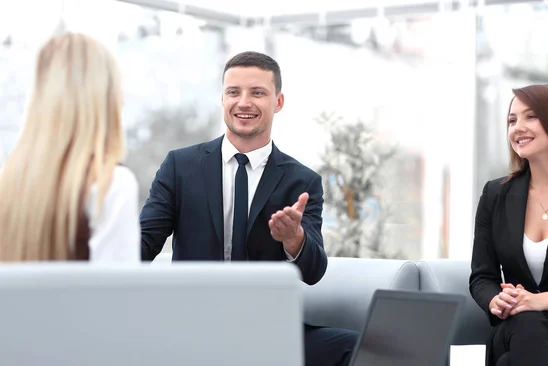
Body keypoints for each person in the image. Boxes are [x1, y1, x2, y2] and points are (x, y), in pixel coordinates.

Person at [140, 51, 358, 365]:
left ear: (278, 102)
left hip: (268, 329)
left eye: (257, 93)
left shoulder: (302, 182)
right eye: (234, 92)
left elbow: (313, 272)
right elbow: (143, 244)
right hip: (191, 326)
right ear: (222, 99)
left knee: (356, 348)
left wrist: (293, 239)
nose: (244, 102)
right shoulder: (181, 167)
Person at [469, 84, 548, 366]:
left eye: (531, 117)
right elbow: (482, 276)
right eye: (512, 120)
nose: (518, 128)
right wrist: (495, 301)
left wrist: (539, 300)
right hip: (516, 326)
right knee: (527, 323)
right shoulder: (495, 195)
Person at [0, 33, 140, 262]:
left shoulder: (9, 186)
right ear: (101, 99)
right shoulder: (111, 185)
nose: (122, 101)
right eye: (116, 89)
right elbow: (118, 295)